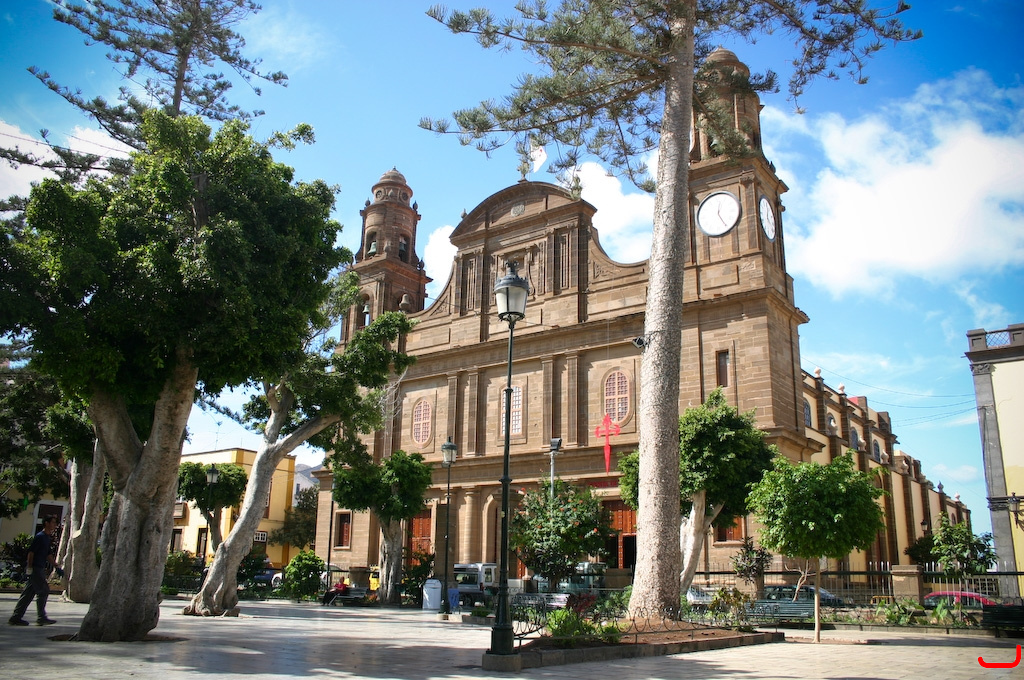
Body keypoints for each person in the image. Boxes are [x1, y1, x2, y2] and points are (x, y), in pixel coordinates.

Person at [9, 514, 59, 626]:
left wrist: (56, 566)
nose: (55, 525)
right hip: (36, 568)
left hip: (39, 567)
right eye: (53, 522)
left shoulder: (47, 537)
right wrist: (30, 567)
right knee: (43, 590)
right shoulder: (40, 537)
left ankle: (16, 617)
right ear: (46, 523)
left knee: (28, 593)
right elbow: (31, 553)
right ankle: (41, 617)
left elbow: (48, 554)